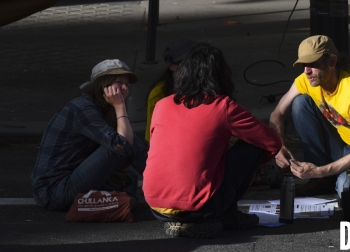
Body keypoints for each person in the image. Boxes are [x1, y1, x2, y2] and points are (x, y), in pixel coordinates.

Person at [143, 42, 282, 239]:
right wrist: (249, 166)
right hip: (200, 205)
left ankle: (180, 222)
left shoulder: (162, 104)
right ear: (220, 75)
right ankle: (226, 214)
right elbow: (271, 141)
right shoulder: (223, 106)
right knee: (253, 146)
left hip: (155, 205)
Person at [269, 35, 350, 197]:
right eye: (304, 65)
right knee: (300, 103)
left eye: (313, 64)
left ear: (332, 62)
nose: (307, 71)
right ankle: (321, 181)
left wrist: (319, 171)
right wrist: (278, 146)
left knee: (345, 185)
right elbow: (277, 113)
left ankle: (325, 176)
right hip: (342, 146)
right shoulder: (307, 80)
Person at [31, 59, 148, 211]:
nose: (125, 87)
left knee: (134, 158)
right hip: (55, 192)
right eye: (119, 82)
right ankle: (165, 187)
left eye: (127, 84)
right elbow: (121, 145)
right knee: (119, 147)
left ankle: (169, 186)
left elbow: (133, 146)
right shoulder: (83, 109)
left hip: (72, 179)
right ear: (102, 85)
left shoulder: (103, 108)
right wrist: (120, 107)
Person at [145, 38, 197, 140]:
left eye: (195, 62)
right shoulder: (159, 93)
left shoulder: (209, 85)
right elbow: (151, 138)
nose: (192, 68)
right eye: (185, 64)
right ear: (170, 65)